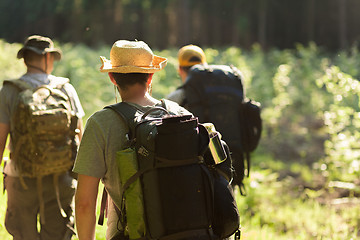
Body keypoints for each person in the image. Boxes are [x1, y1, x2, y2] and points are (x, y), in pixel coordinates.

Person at [0, 35, 85, 240]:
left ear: (26, 59)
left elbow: (1, 139)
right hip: (61, 179)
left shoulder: (9, 91)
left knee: (23, 235)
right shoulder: (66, 89)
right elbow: (79, 136)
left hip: (22, 180)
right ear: (47, 57)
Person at [167, 44, 259, 192]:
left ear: (180, 70)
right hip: (230, 159)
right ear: (204, 65)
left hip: (196, 165)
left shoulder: (177, 98)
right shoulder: (228, 89)